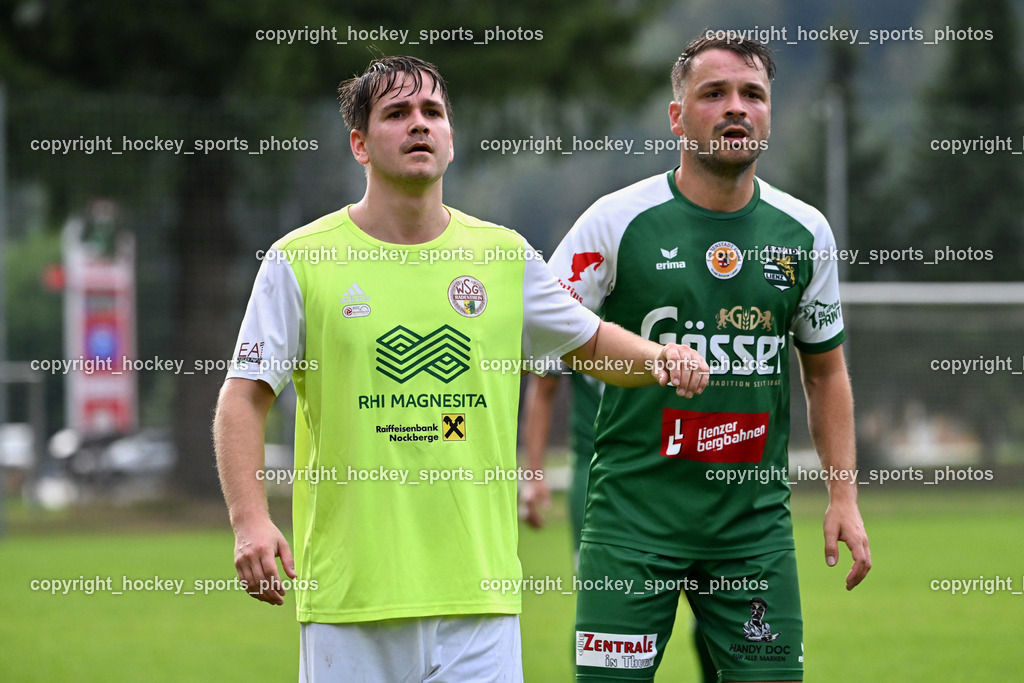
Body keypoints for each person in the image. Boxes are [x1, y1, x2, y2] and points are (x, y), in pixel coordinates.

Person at [212, 55, 709, 683]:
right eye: (397, 113)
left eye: (433, 112)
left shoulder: (504, 257)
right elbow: (242, 397)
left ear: (450, 137)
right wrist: (250, 520)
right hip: (350, 602)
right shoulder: (301, 260)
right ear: (360, 145)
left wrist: (662, 358)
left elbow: (589, 342)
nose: (419, 124)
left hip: (480, 602)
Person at [548, 34, 872, 682]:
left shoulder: (803, 232)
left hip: (752, 529)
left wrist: (844, 496)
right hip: (632, 525)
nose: (736, 108)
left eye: (753, 95)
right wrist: (648, 358)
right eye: (714, 94)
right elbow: (546, 331)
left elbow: (826, 370)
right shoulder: (617, 222)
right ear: (677, 116)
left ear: (770, 114)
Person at [522, 370, 717, 683]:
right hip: (600, 474)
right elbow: (543, 386)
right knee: (600, 612)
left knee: (714, 609)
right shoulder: (576, 319)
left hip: (684, 467)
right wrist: (534, 474)